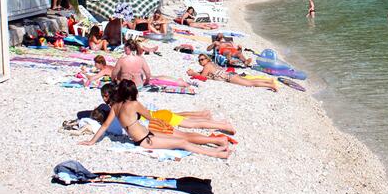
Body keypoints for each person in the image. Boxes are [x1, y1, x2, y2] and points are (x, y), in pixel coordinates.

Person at [79, 79, 231, 158]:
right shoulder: (134, 104)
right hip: (146, 140)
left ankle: (217, 144)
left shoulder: (115, 107)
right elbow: (149, 116)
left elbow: (104, 126)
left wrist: (92, 141)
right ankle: (217, 153)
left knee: (184, 138)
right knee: (183, 141)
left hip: (147, 135)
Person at [188, 55, 277, 91]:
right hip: (230, 75)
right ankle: (269, 82)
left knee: (250, 83)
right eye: (199, 60)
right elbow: (206, 74)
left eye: (202, 59)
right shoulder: (210, 64)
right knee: (248, 81)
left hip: (229, 77)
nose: (201, 61)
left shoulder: (207, 66)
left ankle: (271, 85)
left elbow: (203, 77)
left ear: (207, 59)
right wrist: (196, 73)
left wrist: (193, 74)